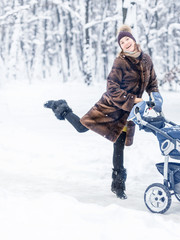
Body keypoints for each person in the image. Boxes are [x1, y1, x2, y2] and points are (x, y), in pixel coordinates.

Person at [44, 25, 160, 199]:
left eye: (127, 39)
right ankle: (60, 107)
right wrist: (135, 100)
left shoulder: (146, 60)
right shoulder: (120, 61)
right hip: (110, 107)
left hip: (127, 112)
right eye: (122, 42)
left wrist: (156, 96)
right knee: (81, 128)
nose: (125, 43)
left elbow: (152, 81)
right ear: (120, 46)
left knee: (119, 145)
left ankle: (118, 186)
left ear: (133, 39)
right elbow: (112, 89)